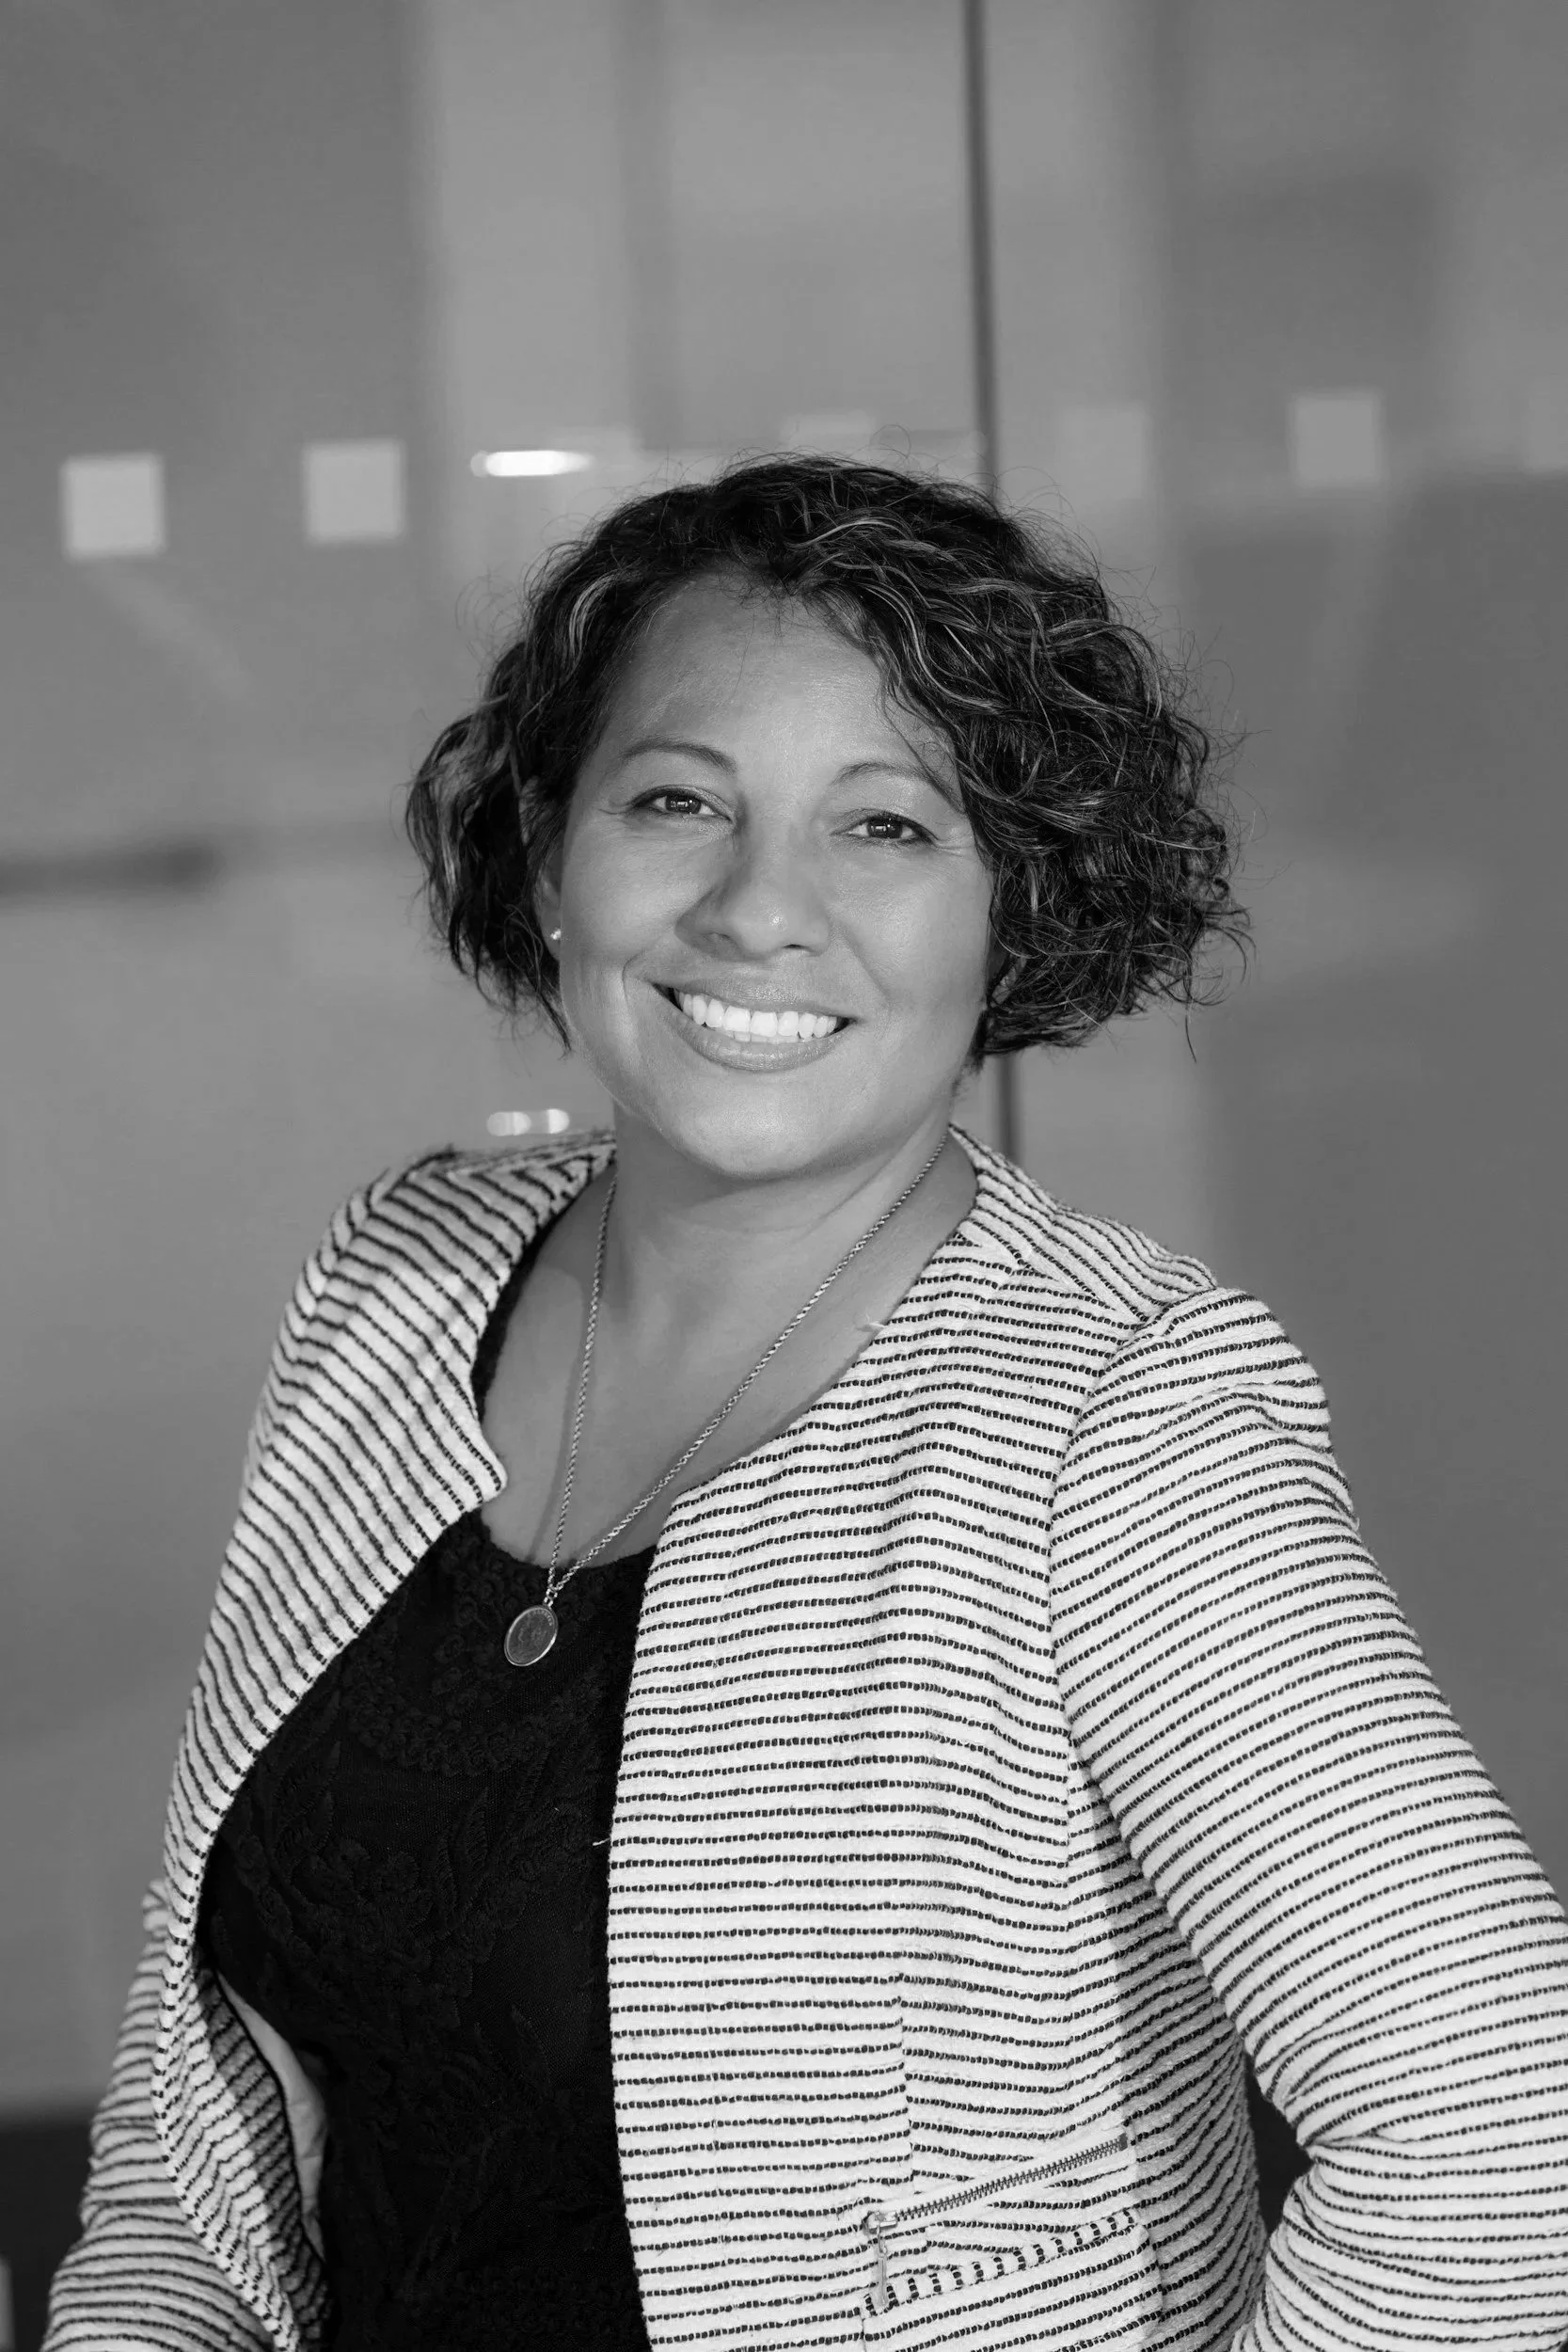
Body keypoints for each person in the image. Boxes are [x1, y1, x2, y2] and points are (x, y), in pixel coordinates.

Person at [45, 458, 1568, 2352]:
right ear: (549, 852)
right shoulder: (399, 1277)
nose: (760, 906)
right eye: (678, 798)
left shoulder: (1114, 1417)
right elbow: (195, 2159)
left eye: (885, 825)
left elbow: (1497, 2134)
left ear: (1014, 906)